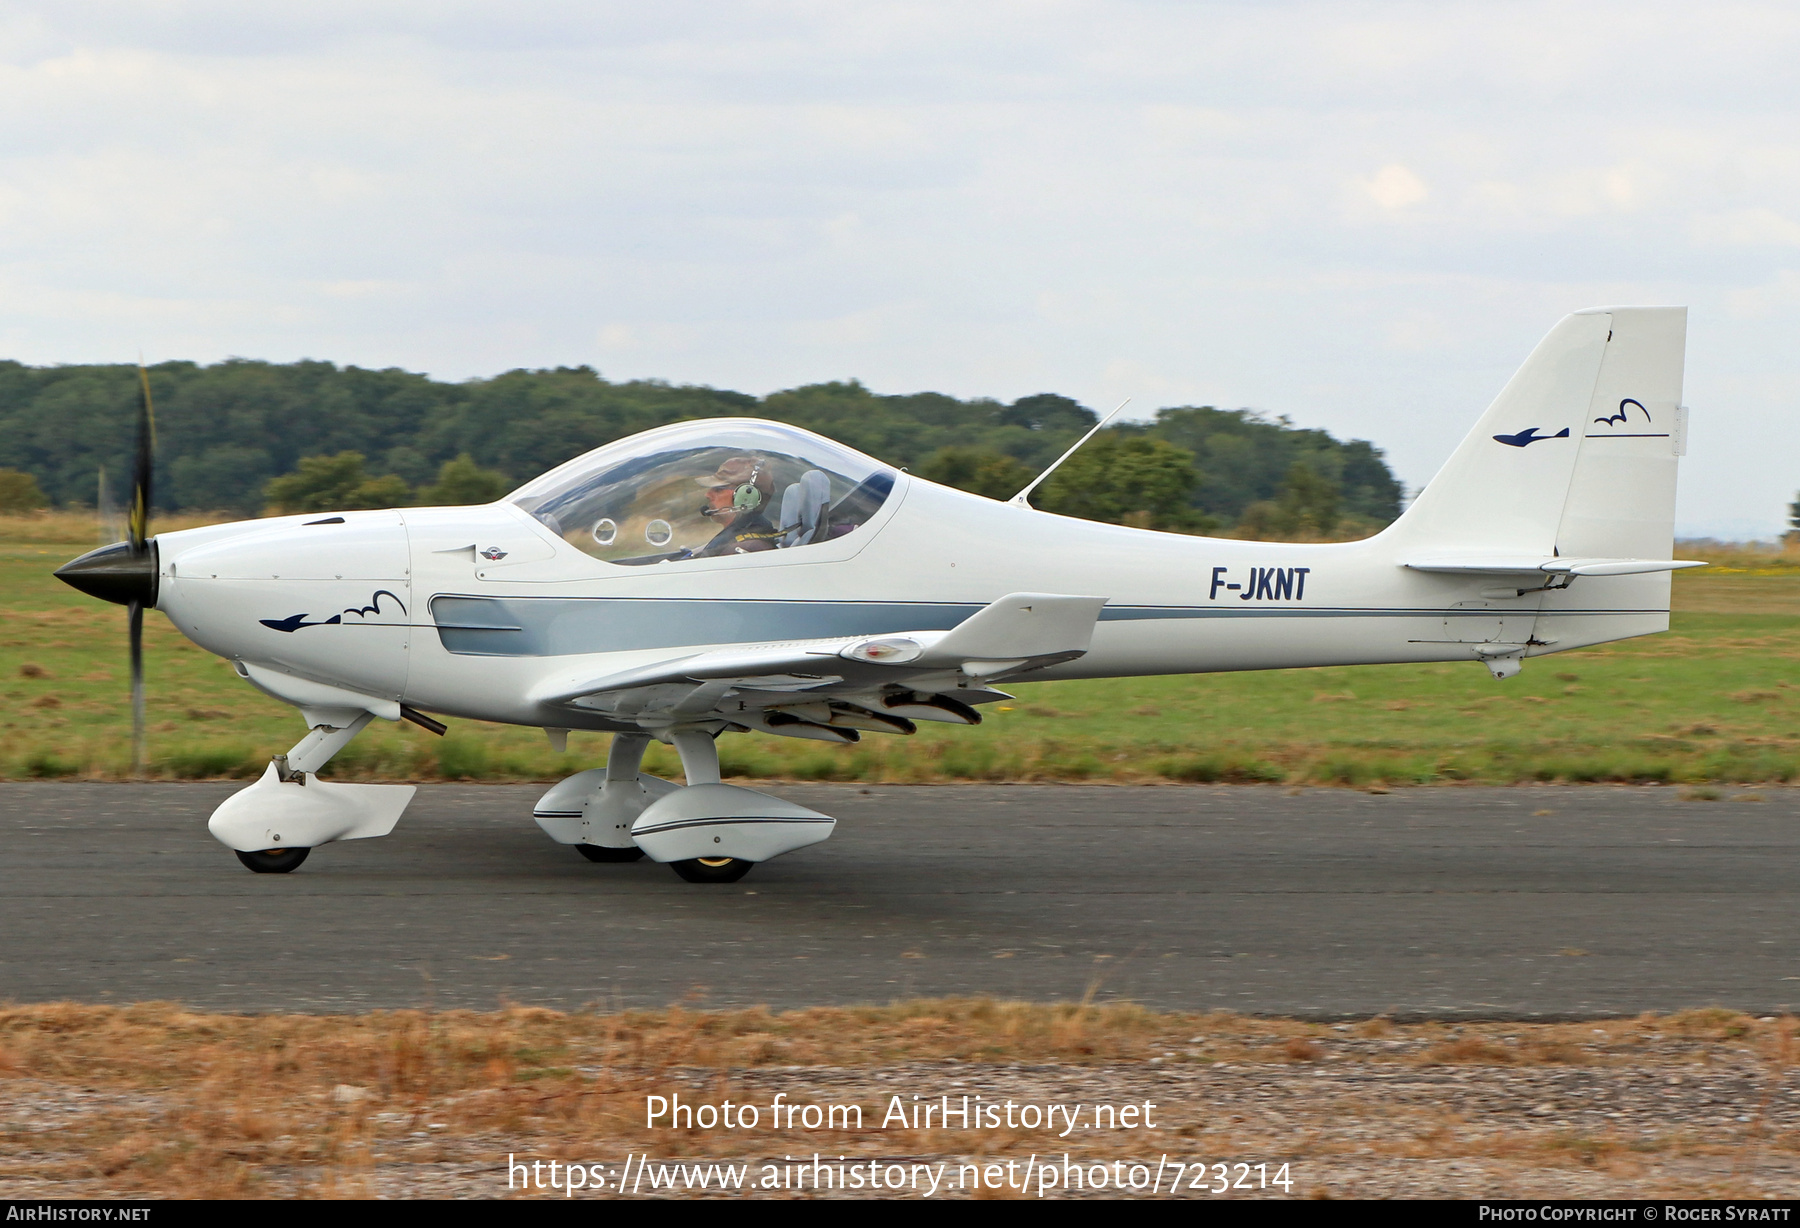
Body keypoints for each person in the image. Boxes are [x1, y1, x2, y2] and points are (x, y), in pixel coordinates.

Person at [691, 456, 782, 557]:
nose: (707, 494)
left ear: (745, 497)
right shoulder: (731, 540)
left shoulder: (745, 550)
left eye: (718, 489)